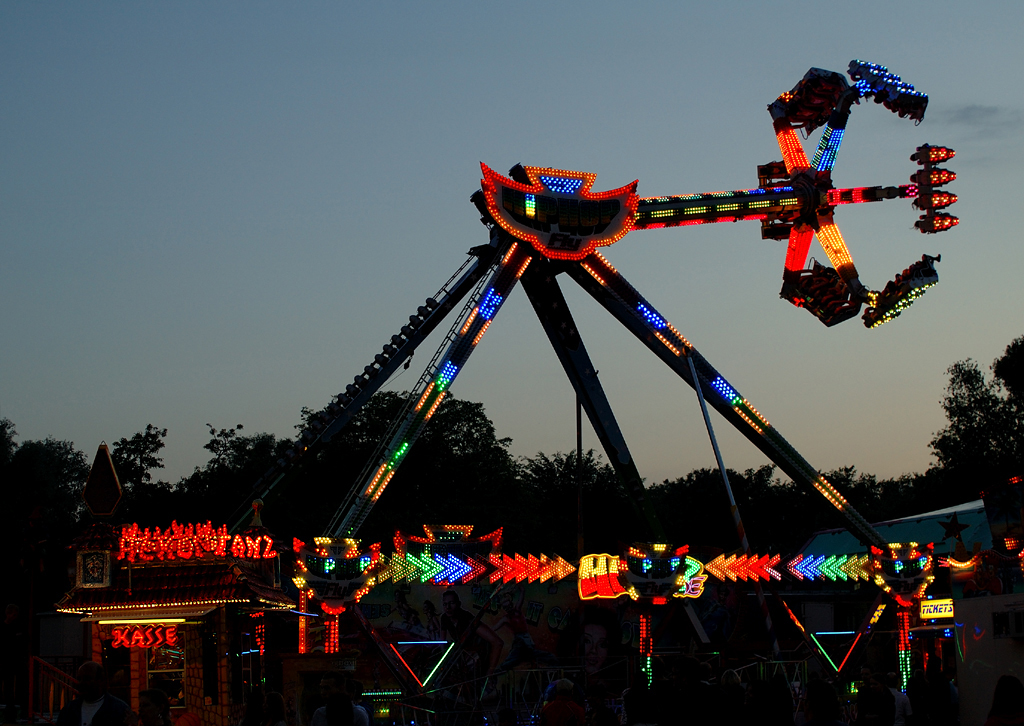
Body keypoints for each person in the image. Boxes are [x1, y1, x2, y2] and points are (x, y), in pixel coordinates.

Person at [440, 590, 503, 675]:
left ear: (458, 604)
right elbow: (442, 642)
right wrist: (443, 662)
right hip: (463, 659)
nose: (448, 607)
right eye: (445, 604)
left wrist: (490, 672)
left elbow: (497, 642)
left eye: (451, 603)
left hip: (478, 660)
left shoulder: (467, 618)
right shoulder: (444, 618)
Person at [56, 662, 131, 726]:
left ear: (100, 680)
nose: (81, 683)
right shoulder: (69, 710)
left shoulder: (119, 710)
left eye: (87, 679)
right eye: (79, 679)